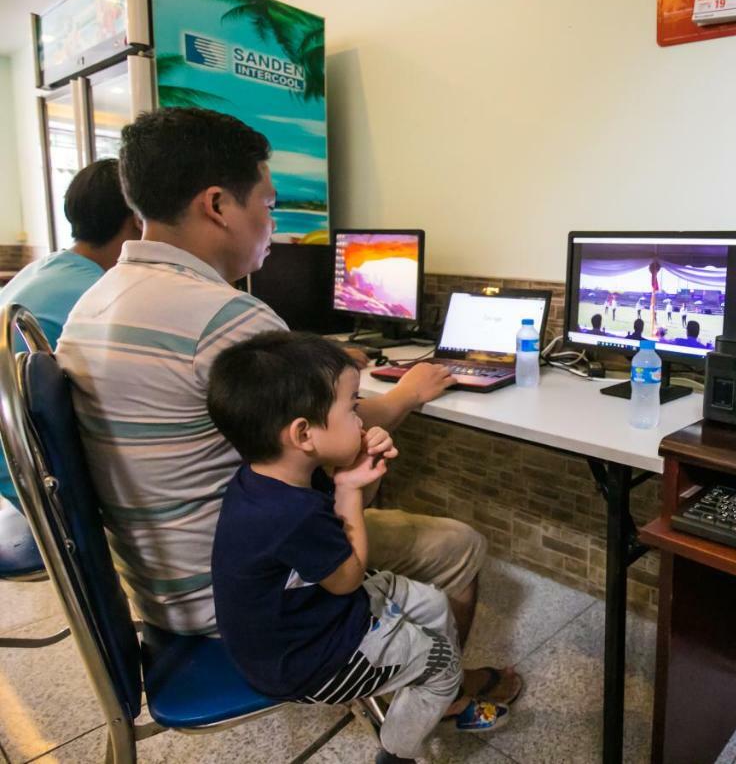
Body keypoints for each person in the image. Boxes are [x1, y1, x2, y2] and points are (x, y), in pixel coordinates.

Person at [55, 107, 520, 704]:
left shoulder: (88, 309)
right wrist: (409, 391)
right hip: (240, 590)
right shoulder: (226, 316)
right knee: (460, 547)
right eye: (268, 206)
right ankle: (441, 692)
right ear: (219, 205)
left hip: (151, 584)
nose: (272, 225)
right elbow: (335, 431)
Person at [208, 332, 505, 764]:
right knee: (443, 667)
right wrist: (348, 485)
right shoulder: (288, 514)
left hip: (306, 615)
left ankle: (419, 690)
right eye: (352, 407)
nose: (361, 419)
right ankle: (397, 751)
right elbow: (347, 579)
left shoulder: (270, 478)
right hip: (306, 661)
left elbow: (344, 527)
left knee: (436, 604)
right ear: (303, 434)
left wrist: (358, 475)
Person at [0, 158, 140, 507]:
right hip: (33, 474)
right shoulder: (99, 293)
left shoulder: (45, 268)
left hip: (13, 454)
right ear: (138, 219)